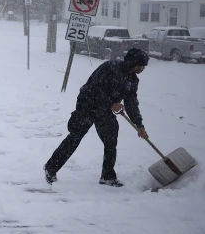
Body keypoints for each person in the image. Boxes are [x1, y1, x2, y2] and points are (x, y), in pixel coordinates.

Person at [44, 48, 150, 187]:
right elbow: (94, 88)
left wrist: (139, 125)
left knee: (111, 140)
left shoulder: (132, 80)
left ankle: (107, 176)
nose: (142, 68)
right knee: (75, 137)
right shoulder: (110, 67)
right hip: (88, 105)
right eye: (141, 65)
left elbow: (131, 103)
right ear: (133, 62)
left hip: (105, 111)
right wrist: (112, 103)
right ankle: (50, 168)